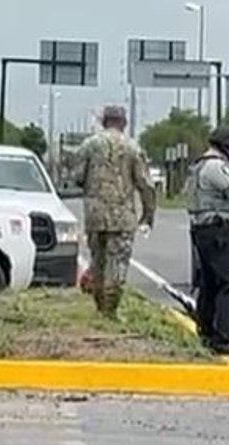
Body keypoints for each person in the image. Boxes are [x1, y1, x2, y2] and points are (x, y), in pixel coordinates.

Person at [75, 105, 157, 319]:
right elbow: (145, 184)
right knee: (117, 264)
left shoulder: (88, 145)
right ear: (124, 122)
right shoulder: (132, 147)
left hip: (95, 215)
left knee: (98, 262)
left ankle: (100, 307)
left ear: (104, 121)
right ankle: (110, 311)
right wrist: (148, 213)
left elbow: (77, 177)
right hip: (122, 216)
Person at [184, 125, 229, 353]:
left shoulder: (200, 164)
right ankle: (223, 335)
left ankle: (205, 330)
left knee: (210, 283)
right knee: (228, 283)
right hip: (219, 232)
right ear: (228, 146)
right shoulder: (215, 166)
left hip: (205, 231)